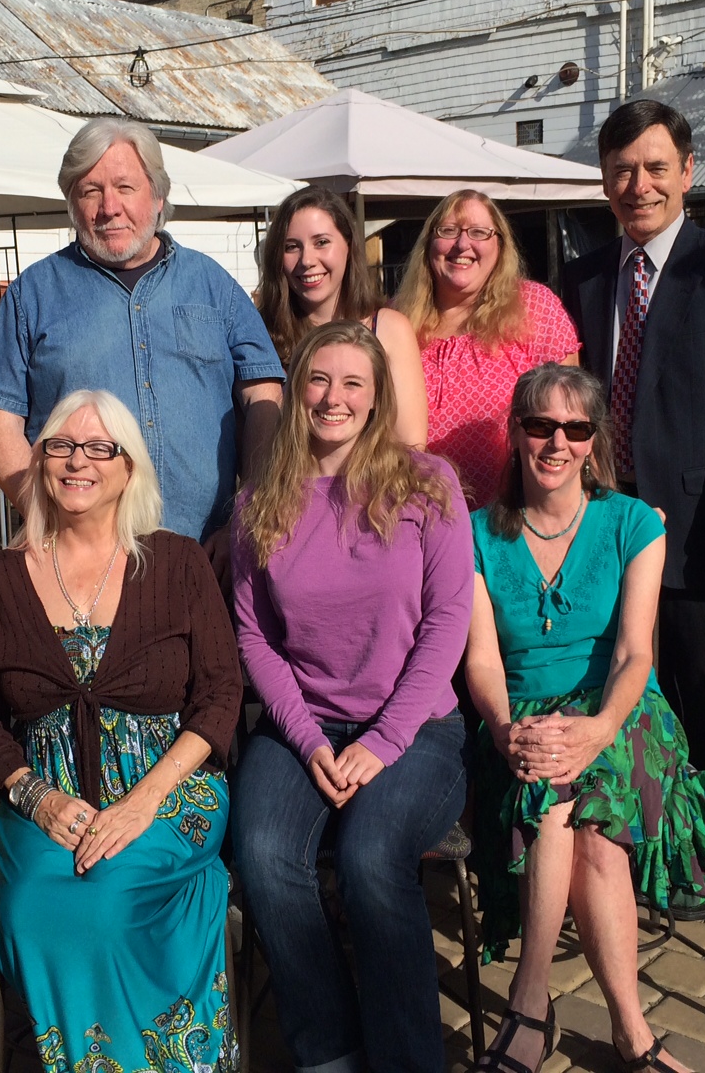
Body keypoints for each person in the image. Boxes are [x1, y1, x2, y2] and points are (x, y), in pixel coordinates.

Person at [0, 389, 243, 1072]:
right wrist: (37, 798)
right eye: (59, 445)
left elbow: (220, 693)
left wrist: (144, 802)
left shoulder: (176, 563)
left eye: (97, 448)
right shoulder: (0, 580)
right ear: (40, 463)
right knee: (31, 905)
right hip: (45, 801)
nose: (76, 461)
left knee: (111, 897)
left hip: (171, 787)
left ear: (128, 470)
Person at [465, 363, 705, 1073]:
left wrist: (599, 728)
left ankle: (530, 1005)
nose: (557, 443)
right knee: (566, 807)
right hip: (519, 715)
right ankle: (632, 1034)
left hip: (621, 710)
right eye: (540, 425)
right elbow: (484, 662)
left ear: (593, 442)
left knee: (585, 801)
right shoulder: (475, 535)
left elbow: (635, 654)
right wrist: (502, 730)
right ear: (516, 433)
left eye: (575, 428)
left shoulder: (633, 523)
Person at [232, 320, 473, 1073]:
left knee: (371, 859)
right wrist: (308, 741)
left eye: (353, 384)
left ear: (376, 399)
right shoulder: (258, 502)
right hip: (302, 722)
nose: (333, 398)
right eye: (318, 379)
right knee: (265, 852)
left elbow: (448, 621)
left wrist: (381, 741)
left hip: (415, 727)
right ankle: (330, 1050)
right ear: (297, 387)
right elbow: (254, 637)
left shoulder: (427, 482)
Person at [559, 100, 705, 841]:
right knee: (633, 698)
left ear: (688, 172)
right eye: (622, 170)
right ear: (603, 182)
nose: (640, 185)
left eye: (656, 167)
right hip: (612, 534)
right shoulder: (585, 279)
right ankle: (648, 850)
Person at [0, 118, 284, 565]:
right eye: (90, 190)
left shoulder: (212, 286)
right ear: (72, 203)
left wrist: (244, 518)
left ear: (158, 196)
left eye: (124, 187)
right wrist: (48, 519)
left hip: (210, 555)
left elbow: (264, 396)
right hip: (83, 565)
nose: (108, 207)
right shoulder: (31, 296)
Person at [394, 189, 581, 509]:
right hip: (421, 522)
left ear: (500, 246)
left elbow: (573, 423)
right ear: (429, 244)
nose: (462, 244)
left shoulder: (534, 309)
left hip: (519, 520)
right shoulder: (396, 326)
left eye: (479, 232)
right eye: (448, 231)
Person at [254, 185, 427, 447]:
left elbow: (411, 444)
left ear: (348, 244)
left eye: (321, 242)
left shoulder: (389, 329)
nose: (307, 260)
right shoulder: (258, 334)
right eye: (291, 247)